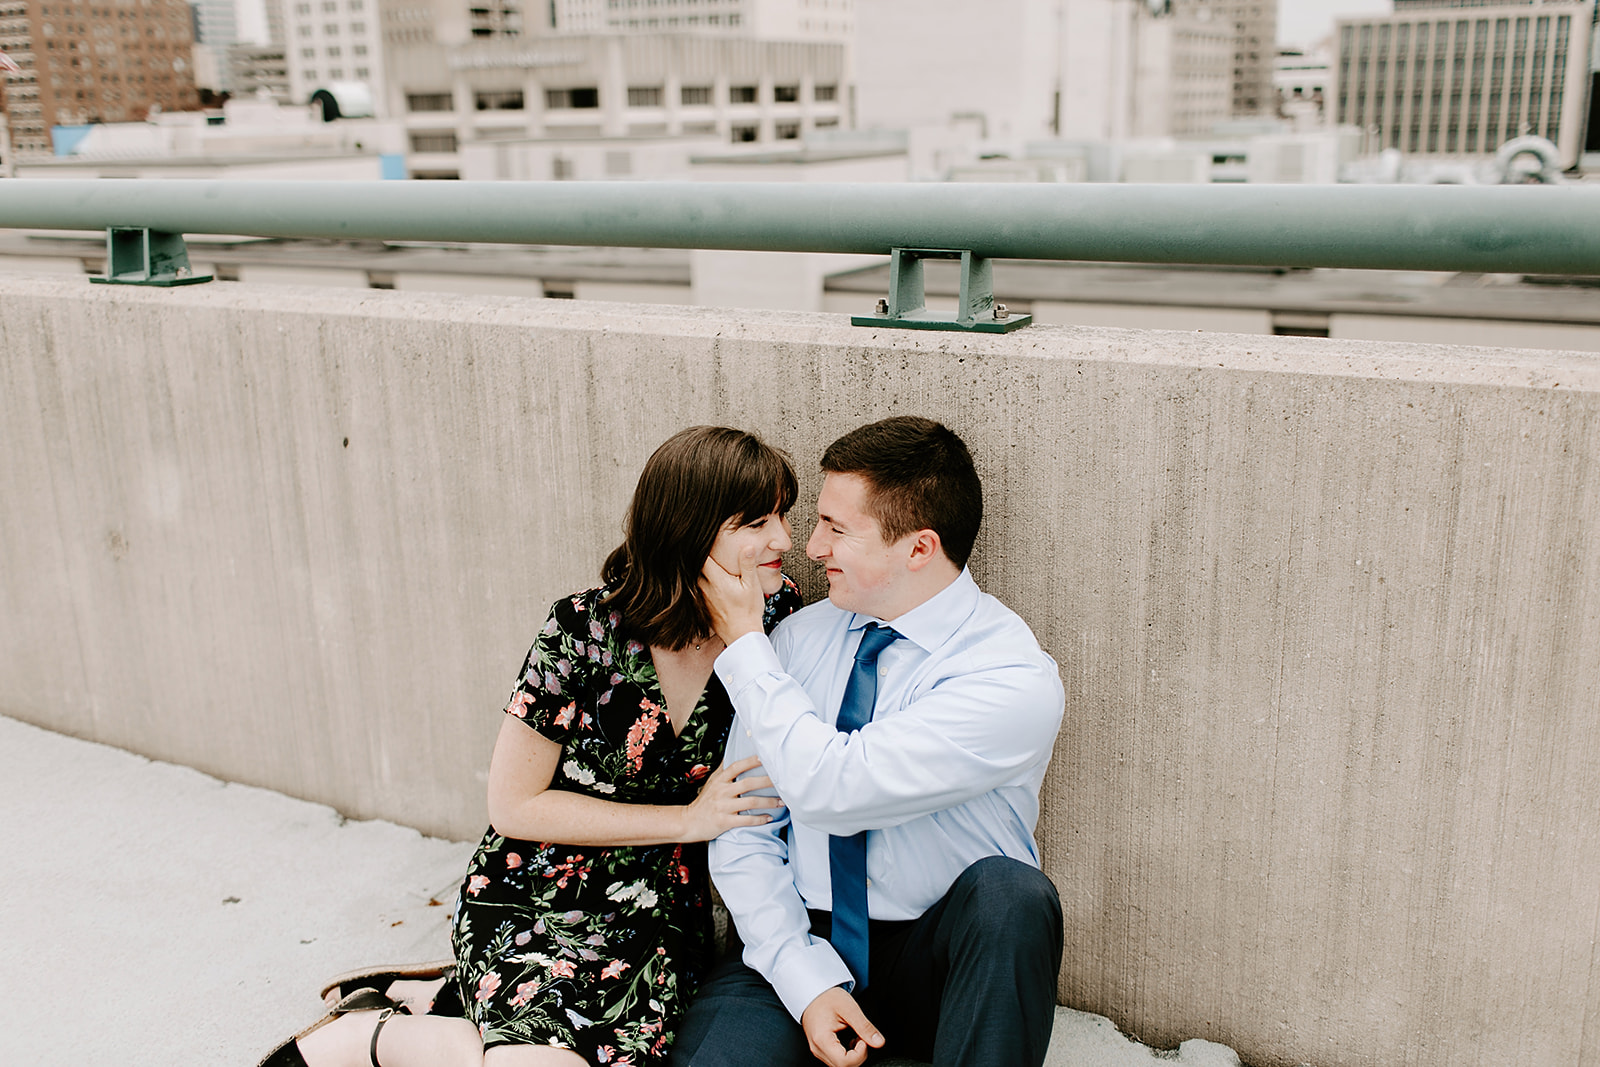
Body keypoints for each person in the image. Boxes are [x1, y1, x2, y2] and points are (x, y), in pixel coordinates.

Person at [259, 426, 805, 1067]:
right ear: (691, 528)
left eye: (783, 517)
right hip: (536, 886)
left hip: (656, 913)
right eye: (758, 521)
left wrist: (741, 635)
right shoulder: (582, 628)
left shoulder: (777, 621)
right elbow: (514, 806)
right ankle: (365, 1037)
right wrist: (688, 819)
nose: (784, 541)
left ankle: (406, 1024)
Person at [676, 416, 1066, 1067]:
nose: (810, 544)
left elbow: (834, 789)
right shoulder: (799, 640)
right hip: (800, 938)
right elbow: (745, 830)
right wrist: (807, 982)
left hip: (941, 960)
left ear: (918, 547)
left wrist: (745, 645)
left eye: (836, 528)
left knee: (1013, 894)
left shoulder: (1011, 677)